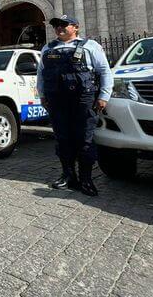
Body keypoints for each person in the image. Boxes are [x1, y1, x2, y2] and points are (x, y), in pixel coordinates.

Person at [36, 15, 112, 197]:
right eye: (56, 25)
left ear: (75, 27)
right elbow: (41, 74)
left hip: (83, 98)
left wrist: (104, 95)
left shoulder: (90, 46)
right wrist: (42, 95)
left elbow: (104, 71)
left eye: (63, 25)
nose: (59, 28)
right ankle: (68, 175)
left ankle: (86, 178)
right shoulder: (48, 48)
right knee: (63, 138)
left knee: (84, 138)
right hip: (57, 99)